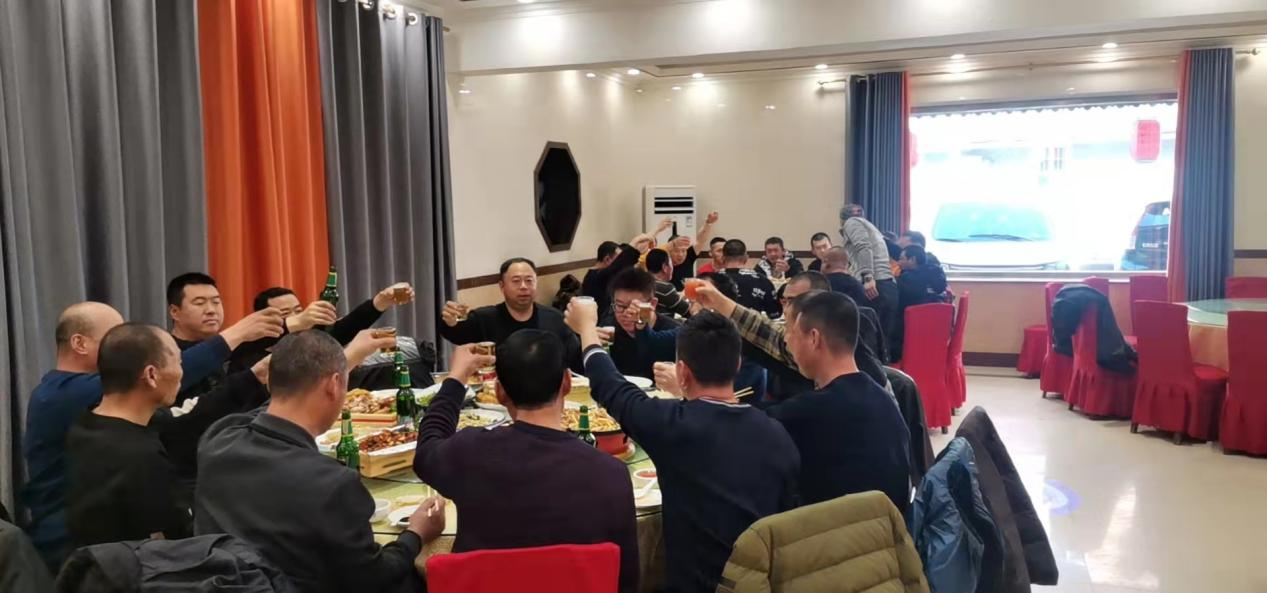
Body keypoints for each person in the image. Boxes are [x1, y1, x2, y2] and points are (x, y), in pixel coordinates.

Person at [21, 302, 280, 570]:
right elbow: (168, 544)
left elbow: (182, 420)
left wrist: (253, 377)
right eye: (115, 337)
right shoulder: (62, 398)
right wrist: (237, 334)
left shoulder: (98, 418)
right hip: (80, 559)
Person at [565, 301, 800, 593]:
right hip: (764, 583)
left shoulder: (674, 426)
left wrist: (587, 328)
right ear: (737, 364)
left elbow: (611, 387)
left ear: (682, 372)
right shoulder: (777, 433)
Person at [196, 330, 441, 593]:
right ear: (334, 385)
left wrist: (346, 359)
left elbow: (270, 408)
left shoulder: (217, 438)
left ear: (269, 383)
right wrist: (415, 534)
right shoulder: (331, 482)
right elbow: (374, 578)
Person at [414, 334, 639, 592]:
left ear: (500, 392)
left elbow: (427, 449)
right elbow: (625, 575)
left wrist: (456, 378)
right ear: (567, 382)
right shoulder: (610, 472)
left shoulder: (469, 452)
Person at [767, 291, 911, 511]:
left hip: (838, 529)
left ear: (814, 338)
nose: (786, 340)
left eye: (790, 332)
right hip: (886, 525)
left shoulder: (813, 411)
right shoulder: (881, 396)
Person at [64, 324, 192, 548]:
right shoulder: (141, 456)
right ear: (151, 374)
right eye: (178, 362)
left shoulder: (83, 424)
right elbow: (171, 541)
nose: (181, 372)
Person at [690, 274, 889, 400]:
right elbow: (766, 334)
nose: (786, 308)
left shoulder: (857, 387)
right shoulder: (835, 363)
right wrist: (718, 302)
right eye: (784, 300)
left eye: (795, 301)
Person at [230, 281, 416, 373]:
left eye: (299, 310)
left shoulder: (309, 338)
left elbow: (347, 326)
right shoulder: (246, 357)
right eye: (286, 314)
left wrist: (381, 301)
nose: (298, 318)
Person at [440, 258, 583, 371]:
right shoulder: (484, 318)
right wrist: (450, 322)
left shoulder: (556, 319)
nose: (523, 286)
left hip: (548, 392)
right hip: (495, 393)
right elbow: (455, 332)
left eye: (529, 280)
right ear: (502, 286)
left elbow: (577, 359)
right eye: (516, 281)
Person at [165, 273, 286, 404]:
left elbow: (264, 339)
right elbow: (174, 374)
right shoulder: (163, 350)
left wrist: (296, 322)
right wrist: (238, 331)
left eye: (216, 302)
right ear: (175, 312)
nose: (211, 310)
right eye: (199, 303)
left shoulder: (226, 347)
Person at [839, 204, 899, 356]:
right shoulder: (871, 227)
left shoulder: (852, 223)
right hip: (887, 285)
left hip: (875, 284)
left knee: (869, 344)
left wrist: (867, 276)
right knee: (882, 343)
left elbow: (863, 247)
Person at [607, 268, 678, 378]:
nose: (626, 313)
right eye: (620, 306)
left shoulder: (673, 332)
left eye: (634, 306)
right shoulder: (609, 329)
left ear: (652, 304)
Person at [582, 225, 665, 314]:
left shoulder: (599, 275)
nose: (621, 262)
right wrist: (635, 243)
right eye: (618, 258)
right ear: (607, 259)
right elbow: (619, 265)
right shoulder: (595, 277)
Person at [893, 245, 950, 361]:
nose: (899, 263)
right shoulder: (935, 274)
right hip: (934, 331)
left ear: (912, 260)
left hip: (909, 332)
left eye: (902, 259)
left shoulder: (908, 279)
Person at [719, 239, 780, 317]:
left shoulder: (710, 280)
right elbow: (774, 313)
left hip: (716, 324)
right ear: (746, 257)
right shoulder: (761, 280)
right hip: (751, 324)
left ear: (723, 258)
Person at [666, 210, 719, 289]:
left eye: (683, 251)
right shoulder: (662, 259)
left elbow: (700, 239)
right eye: (676, 251)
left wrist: (708, 223)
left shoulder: (689, 255)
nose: (680, 254)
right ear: (669, 251)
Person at [645, 249, 690, 318]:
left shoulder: (642, 283)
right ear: (664, 267)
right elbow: (688, 311)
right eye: (671, 263)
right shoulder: (666, 289)